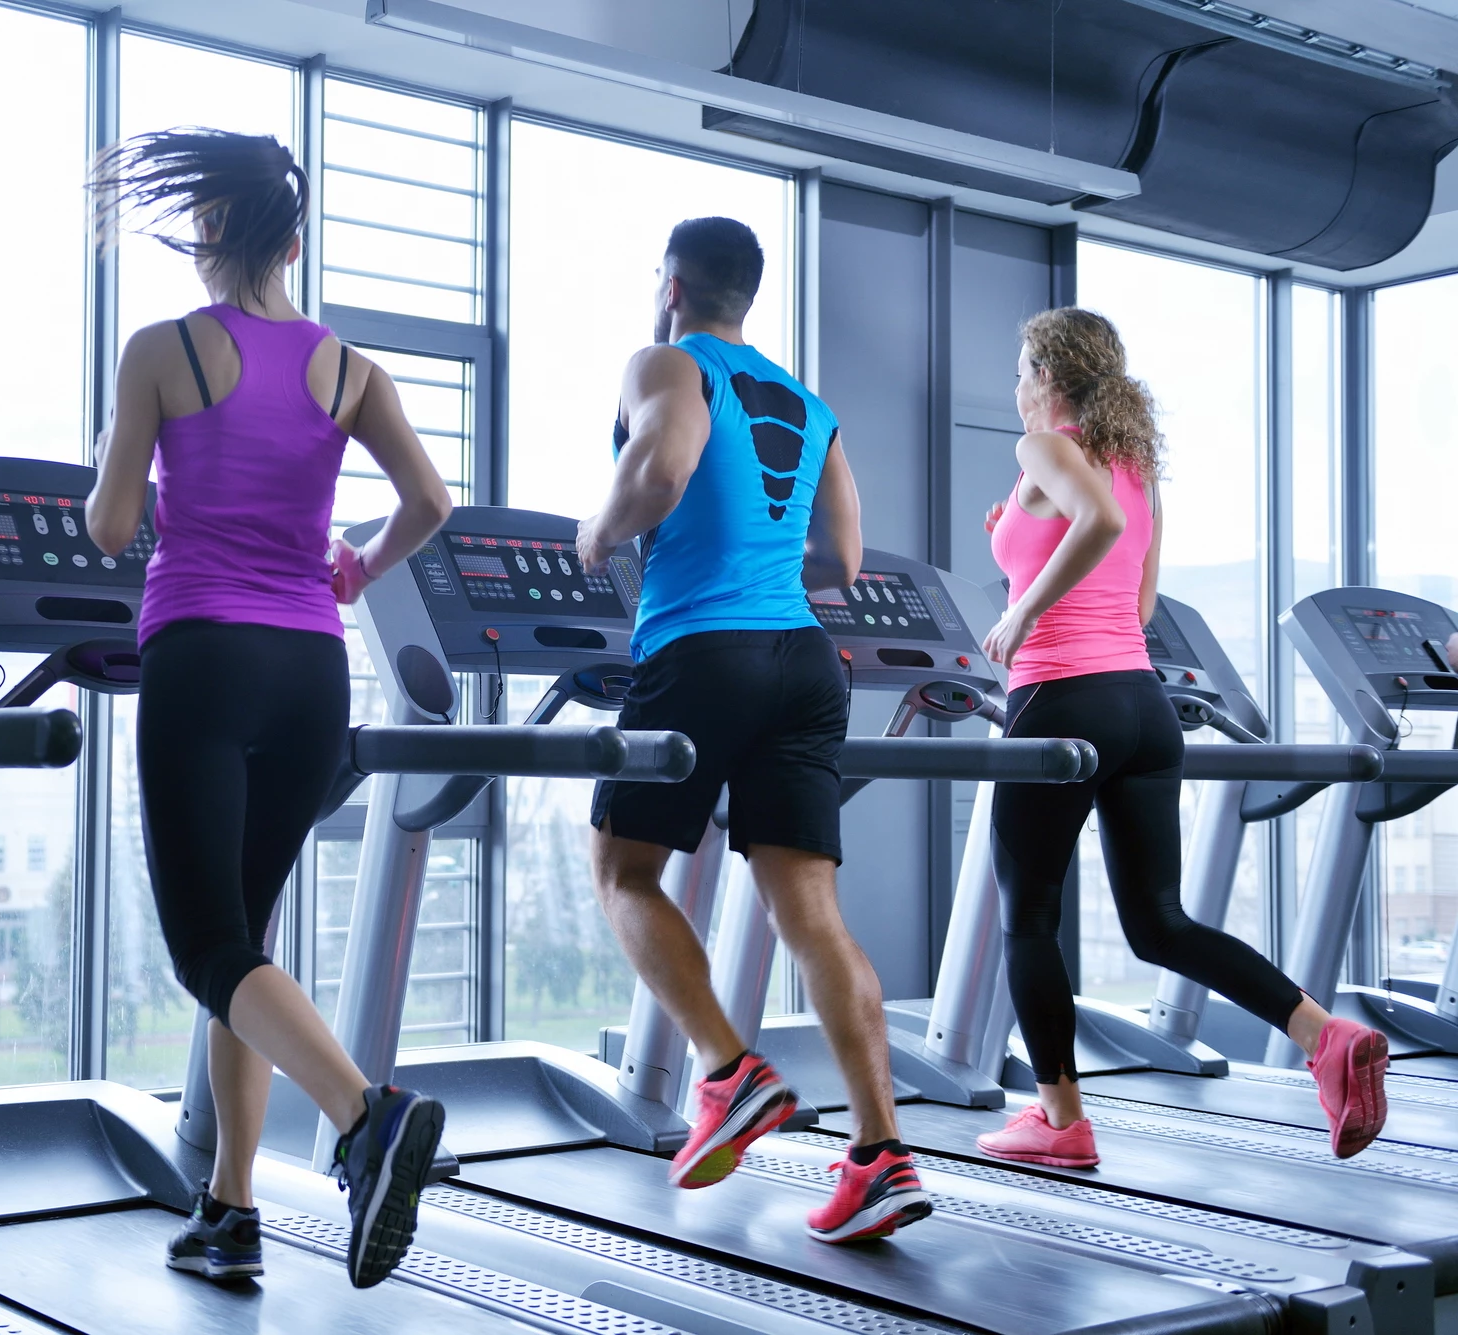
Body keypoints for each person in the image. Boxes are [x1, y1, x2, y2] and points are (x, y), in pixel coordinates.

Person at [84, 128, 453, 1287]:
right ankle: (229, 1209)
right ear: (293, 244)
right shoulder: (348, 369)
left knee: (207, 948)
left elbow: (110, 526)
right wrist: (357, 568)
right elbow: (429, 501)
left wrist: (129, 464)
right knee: (242, 943)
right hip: (310, 671)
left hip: (202, 655)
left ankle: (363, 1117)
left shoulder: (161, 352)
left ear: (206, 234)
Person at [577, 217, 931, 1244]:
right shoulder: (809, 404)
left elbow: (662, 470)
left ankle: (727, 1073)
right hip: (804, 658)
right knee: (809, 911)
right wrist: (758, 562)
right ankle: (880, 1154)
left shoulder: (666, 363)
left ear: (673, 286)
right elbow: (844, 558)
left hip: (702, 649)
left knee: (622, 872)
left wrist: (599, 529)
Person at [977, 306, 1389, 1166]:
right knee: (1160, 923)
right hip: (1143, 705)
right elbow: (1139, 603)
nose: (1015, 385)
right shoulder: (1134, 464)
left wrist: (1021, 612)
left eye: (1020, 369)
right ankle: (1326, 1036)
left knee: (1029, 917)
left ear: (1049, 374)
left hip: (1058, 700)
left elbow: (1097, 526)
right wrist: (1018, 549)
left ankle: (1060, 1121)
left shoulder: (1042, 447)